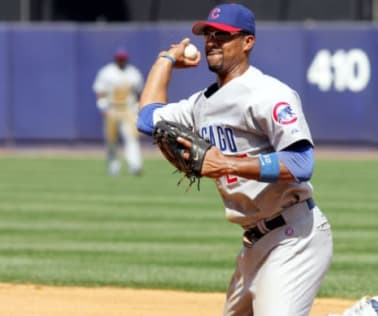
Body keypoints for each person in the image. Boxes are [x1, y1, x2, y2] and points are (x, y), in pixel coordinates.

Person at [137, 3, 333, 315]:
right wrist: (166, 59)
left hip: (294, 237)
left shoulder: (268, 94)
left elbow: (300, 164)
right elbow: (147, 120)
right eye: (208, 34)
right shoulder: (200, 104)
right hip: (253, 244)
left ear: (247, 42)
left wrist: (228, 164)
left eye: (223, 35)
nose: (212, 40)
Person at [93, 48, 144, 176]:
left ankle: (135, 165)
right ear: (115, 59)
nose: (121, 61)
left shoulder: (133, 73)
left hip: (128, 109)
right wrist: (102, 105)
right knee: (111, 140)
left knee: (131, 138)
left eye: (123, 59)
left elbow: (138, 93)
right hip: (112, 109)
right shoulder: (107, 72)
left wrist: (138, 107)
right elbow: (100, 91)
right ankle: (113, 167)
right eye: (119, 59)